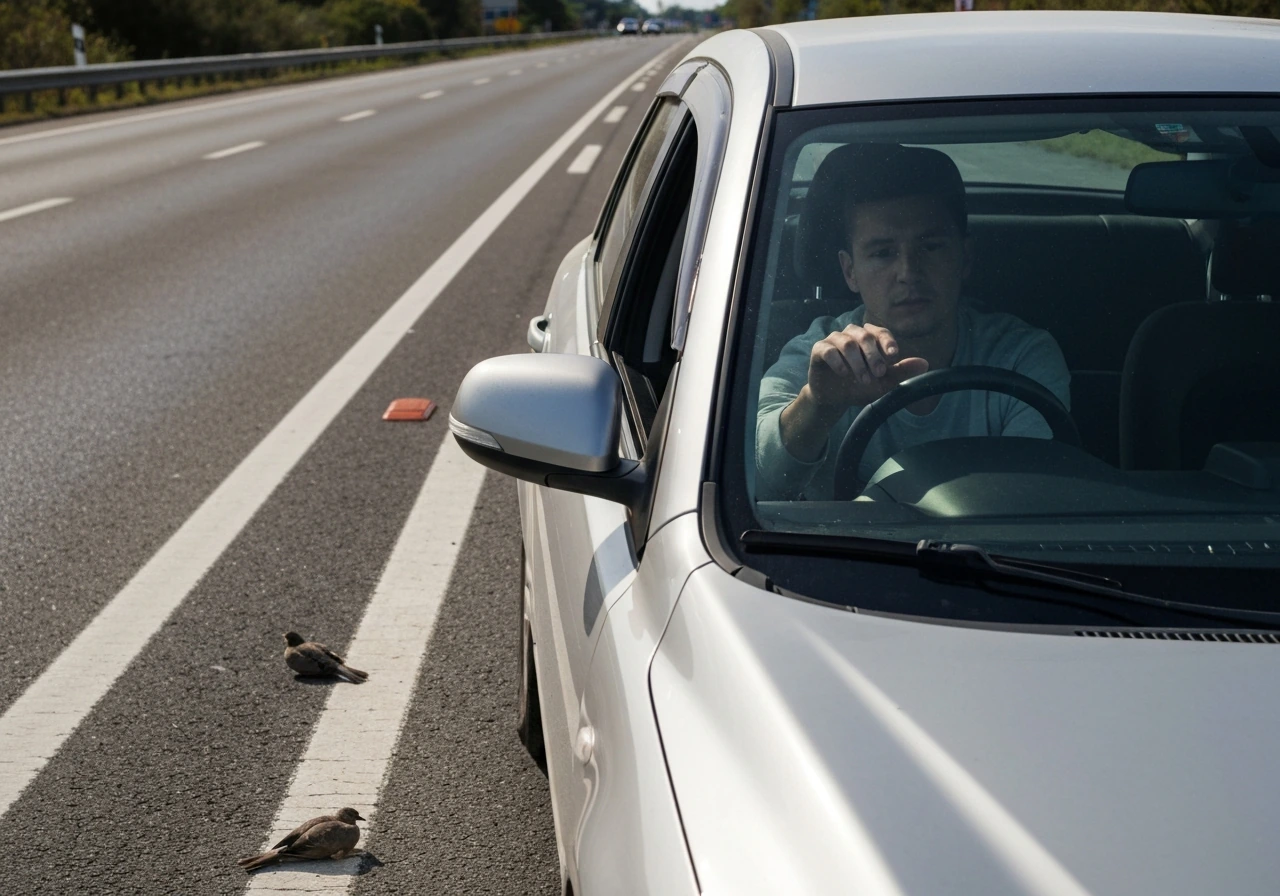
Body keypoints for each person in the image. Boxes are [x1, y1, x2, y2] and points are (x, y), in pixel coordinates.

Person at [756, 143, 1070, 500]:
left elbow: (1034, 498)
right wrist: (819, 406)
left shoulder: (1020, 355)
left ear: (964, 257)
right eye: (883, 253)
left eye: (931, 246)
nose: (909, 272)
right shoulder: (819, 358)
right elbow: (757, 481)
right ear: (850, 271)